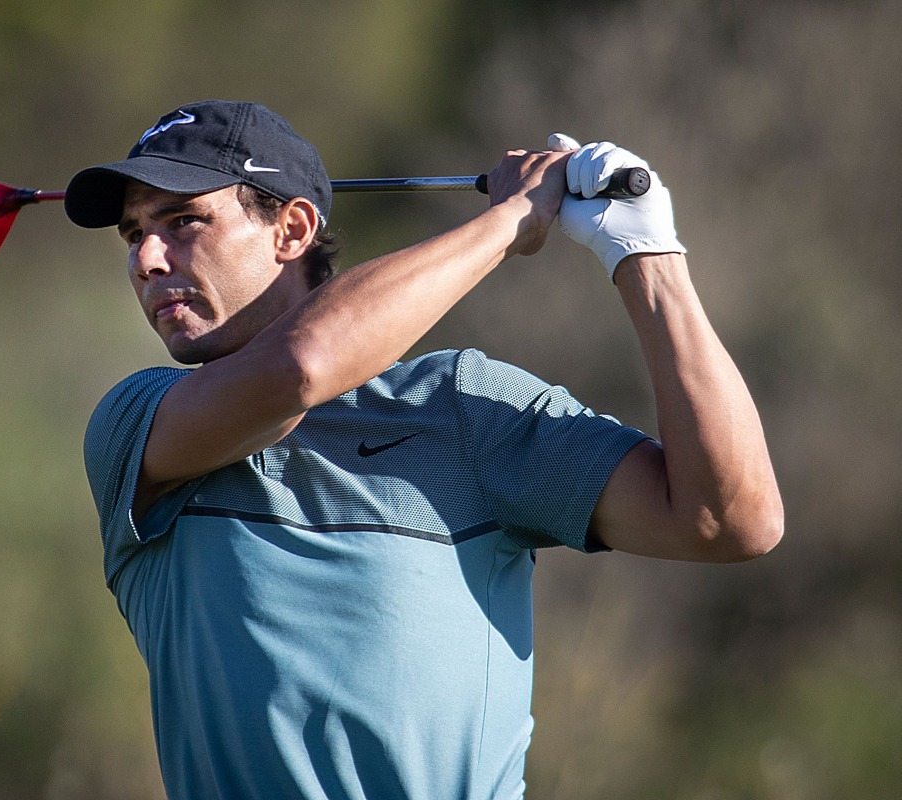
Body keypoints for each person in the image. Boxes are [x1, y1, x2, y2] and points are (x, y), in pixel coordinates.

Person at [63, 99, 783, 800]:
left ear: (292, 230)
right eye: (134, 234)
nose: (148, 260)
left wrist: (646, 255)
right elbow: (303, 367)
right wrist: (512, 219)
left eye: (184, 221)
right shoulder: (136, 424)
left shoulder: (463, 405)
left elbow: (731, 519)